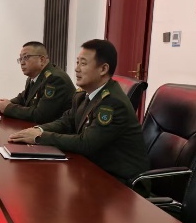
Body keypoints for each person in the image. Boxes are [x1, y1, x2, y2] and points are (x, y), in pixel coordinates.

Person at [8, 39, 150, 196]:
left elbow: (86, 143)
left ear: (103, 69)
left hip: (122, 184)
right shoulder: (83, 95)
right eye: (77, 62)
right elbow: (66, 121)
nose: (76, 69)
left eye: (83, 63)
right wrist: (38, 130)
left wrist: (40, 137)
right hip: (94, 169)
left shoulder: (112, 103)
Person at [0, 41, 75, 123]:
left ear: (42, 60)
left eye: (26, 57)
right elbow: (23, 99)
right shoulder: (33, 77)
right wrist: (2, 104)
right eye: (20, 58)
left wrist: (8, 108)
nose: (22, 63)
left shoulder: (55, 79)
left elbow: (40, 115)